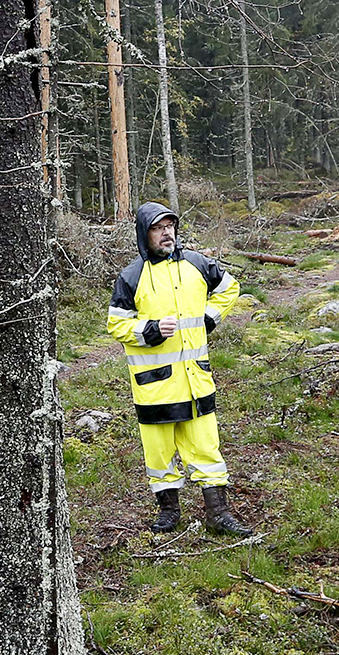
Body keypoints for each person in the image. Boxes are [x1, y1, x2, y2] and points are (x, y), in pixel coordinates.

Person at [107, 201, 251, 536]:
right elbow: (116, 325)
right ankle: (169, 512)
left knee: (206, 447)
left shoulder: (197, 264)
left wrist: (208, 318)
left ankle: (218, 514)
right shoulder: (131, 276)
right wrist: (149, 331)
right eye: (158, 228)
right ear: (145, 234)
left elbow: (230, 287)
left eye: (169, 226)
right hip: (154, 385)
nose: (166, 233)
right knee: (159, 453)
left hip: (196, 380)